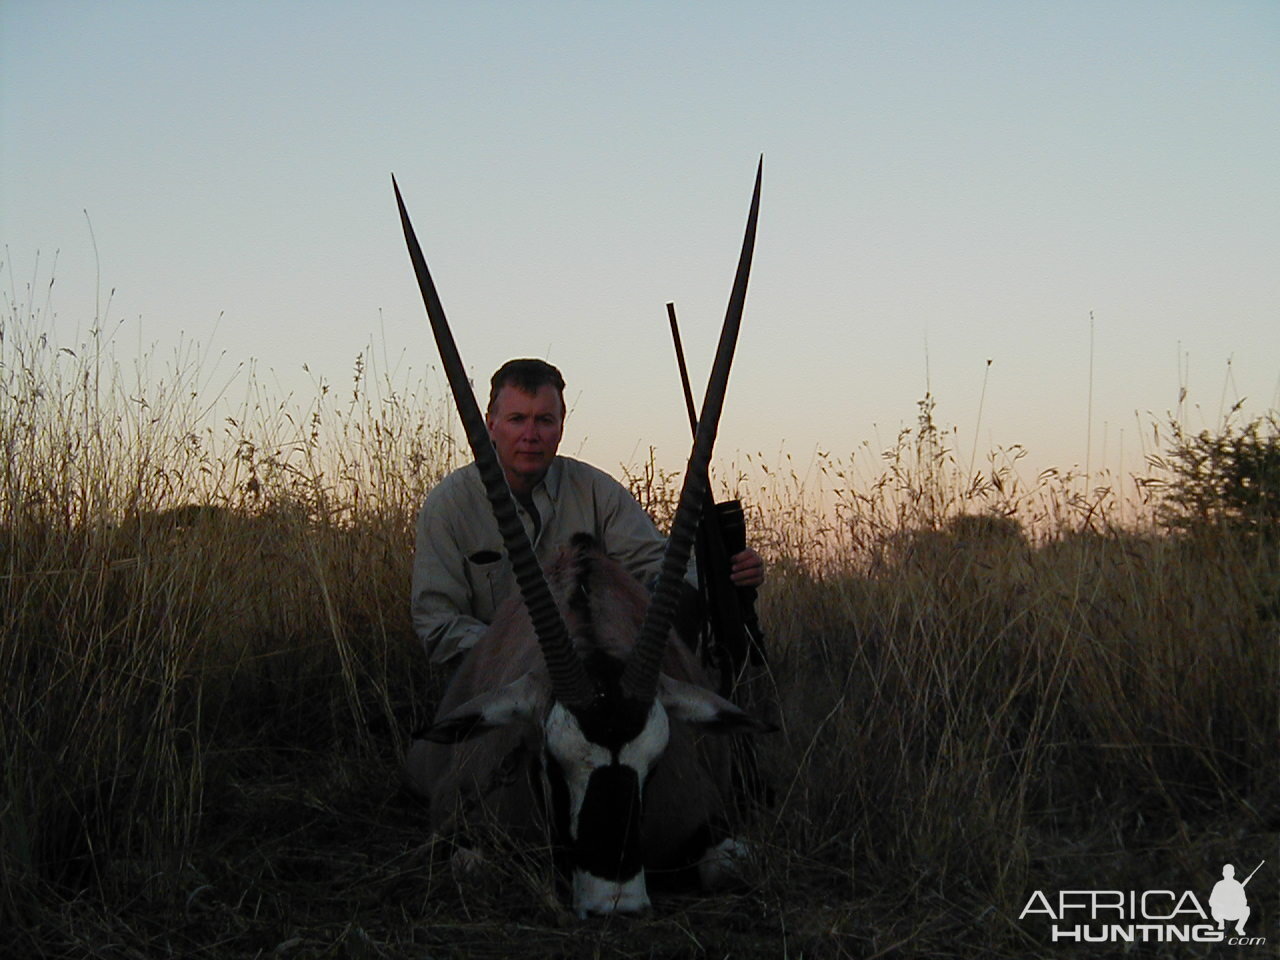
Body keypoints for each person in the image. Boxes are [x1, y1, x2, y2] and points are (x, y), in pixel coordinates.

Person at [411, 358, 764, 664]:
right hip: (501, 681)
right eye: (517, 419)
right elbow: (438, 624)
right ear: (491, 424)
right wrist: (525, 655)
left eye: (545, 420)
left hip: (600, 676)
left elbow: (663, 565)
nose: (531, 435)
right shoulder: (449, 506)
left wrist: (722, 572)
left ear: (562, 425)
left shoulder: (595, 490)